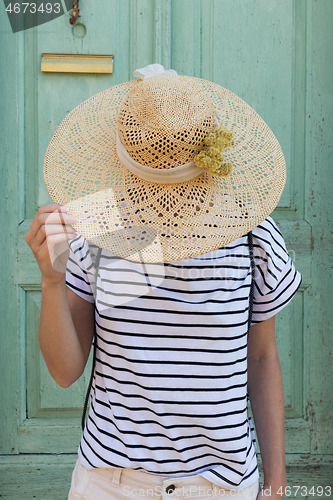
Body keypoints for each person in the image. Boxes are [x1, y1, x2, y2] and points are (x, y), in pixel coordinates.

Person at [26, 65, 301, 500]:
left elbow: (263, 359)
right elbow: (65, 372)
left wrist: (277, 483)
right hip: (110, 483)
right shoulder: (100, 225)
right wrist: (51, 282)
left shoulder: (249, 232)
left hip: (222, 486)